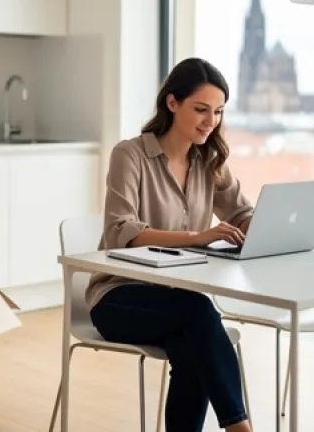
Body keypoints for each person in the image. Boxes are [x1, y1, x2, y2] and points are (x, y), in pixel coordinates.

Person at [85, 58, 255, 432]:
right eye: (201, 109)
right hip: (117, 297)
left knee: (193, 347)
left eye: (218, 112)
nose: (210, 121)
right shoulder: (130, 155)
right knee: (198, 312)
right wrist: (198, 237)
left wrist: (263, 227)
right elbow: (121, 230)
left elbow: (242, 210)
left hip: (175, 301)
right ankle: (240, 428)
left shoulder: (209, 160)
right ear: (172, 102)